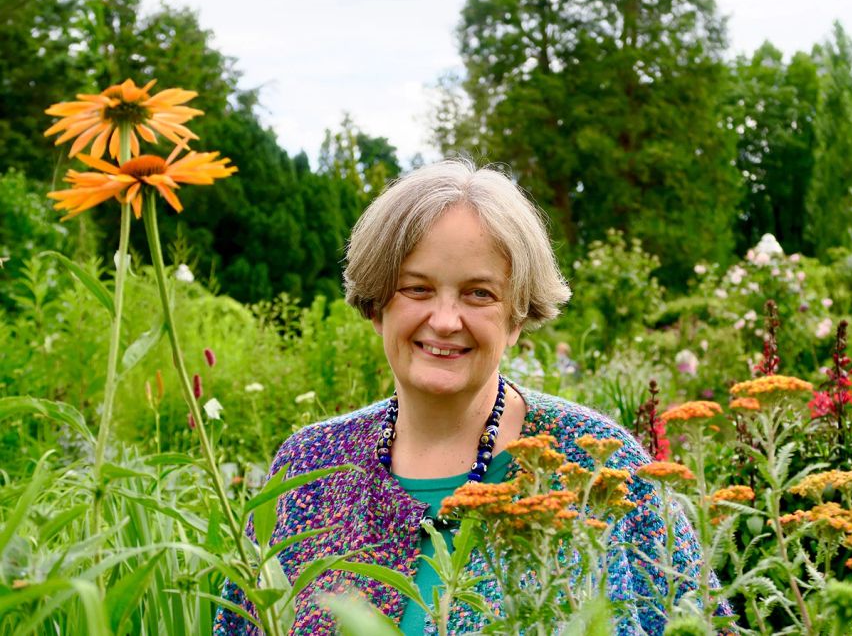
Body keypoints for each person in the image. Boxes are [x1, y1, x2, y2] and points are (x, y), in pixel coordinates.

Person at [214, 160, 728, 635]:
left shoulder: (597, 462)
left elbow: (706, 619)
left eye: (479, 293)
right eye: (416, 289)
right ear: (376, 305)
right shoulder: (308, 469)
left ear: (519, 315)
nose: (444, 320)